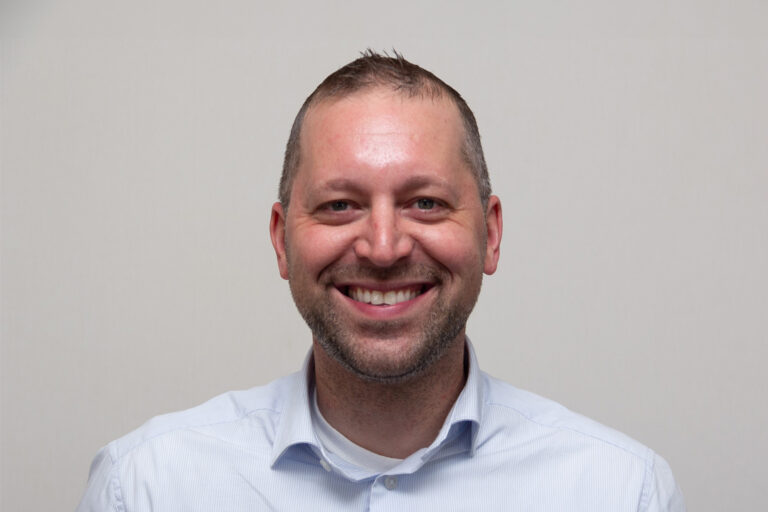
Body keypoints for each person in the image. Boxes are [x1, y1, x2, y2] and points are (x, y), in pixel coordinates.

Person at [76, 51, 685, 511]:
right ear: (281, 238)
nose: (384, 247)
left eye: (424, 203)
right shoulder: (147, 487)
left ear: (491, 234)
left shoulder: (621, 492)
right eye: (341, 205)